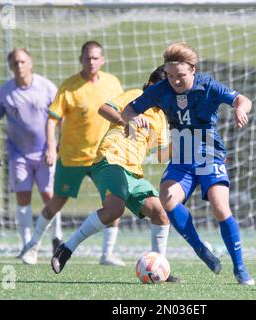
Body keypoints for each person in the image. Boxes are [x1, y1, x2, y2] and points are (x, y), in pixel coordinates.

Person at [122, 42, 255, 285]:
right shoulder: (161, 89)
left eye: (180, 75)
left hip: (208, 152)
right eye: (170, 75)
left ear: (192, 70)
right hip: (182, 155)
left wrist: (240, 109)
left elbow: (243, 100)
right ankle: (201, 249)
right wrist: (134, 118)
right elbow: (128, 110)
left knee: (219, 207)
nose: (175, 81)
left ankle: (240, 267)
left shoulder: (208, 86)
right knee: (168, 198)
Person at [51, 66, 179, 282]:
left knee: (160, 213)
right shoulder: (136, 96)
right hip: (110, 159)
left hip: (133, 172)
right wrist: (126, 120)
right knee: (115, 209)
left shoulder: (161, 118)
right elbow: (104, 109)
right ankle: (67, 249)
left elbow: (162, 155)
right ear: (150, 85)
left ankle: (160, 268)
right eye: (162, 89)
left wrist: (185, 143)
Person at [19, 41, 125, 265]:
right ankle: (33, 246)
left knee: (114, 201)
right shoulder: (69, 87)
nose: (91, 61)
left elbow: (122, 113)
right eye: (87, 57)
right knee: (57, 202)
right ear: (81, 60)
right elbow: (51, 120)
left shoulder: (113, 84)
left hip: (103, 158)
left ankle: (107, 254)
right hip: (73, 157)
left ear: (102, 60)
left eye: (96, 57)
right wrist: (50, 146)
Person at [0, 48, 63, 256]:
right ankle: (28, 245)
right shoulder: (5, 92)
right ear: (10, 66)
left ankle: (57, 238)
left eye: (22, 62)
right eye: (15, 63)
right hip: (18, 154)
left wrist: (57, 146)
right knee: (22, 196)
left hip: (46, 152)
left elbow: (62, 118)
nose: (19, 66)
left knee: (50, 195)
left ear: (31, 63)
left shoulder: (46, 87)